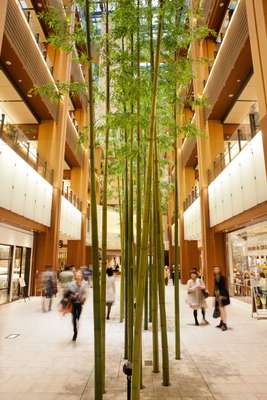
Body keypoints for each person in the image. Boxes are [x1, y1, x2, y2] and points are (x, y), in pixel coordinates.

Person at [68, 270, 87, 341]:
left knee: (78, 317)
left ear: (81, 276)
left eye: (80, 275)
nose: (78, 277)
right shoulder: (72, 284)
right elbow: (69, 293)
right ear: (75, 276)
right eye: (77, 275)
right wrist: (73, 295)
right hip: (73, 303)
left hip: (80, 304)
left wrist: (84, 298)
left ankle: (76, 326)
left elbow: (85, 293)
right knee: (74, 317)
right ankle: (75, 332)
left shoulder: (84, 284)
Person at [214, 266, 230, 331]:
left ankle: (224, 324)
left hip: (222, 295)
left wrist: (221, 295)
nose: (215, 270)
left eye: (217, 269)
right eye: (214, 269)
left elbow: (223, 287)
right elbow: (216, 287)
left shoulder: (222, 277)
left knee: (222, 310)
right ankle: (221, 322)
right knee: (221, 310)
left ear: (219, 270)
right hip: (218, 295)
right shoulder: (216, 277)